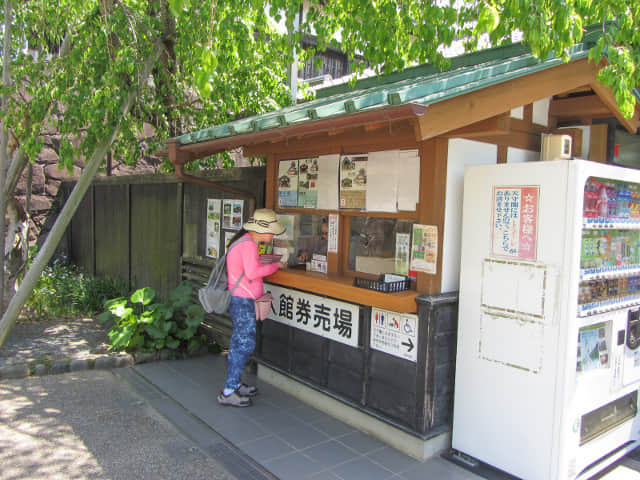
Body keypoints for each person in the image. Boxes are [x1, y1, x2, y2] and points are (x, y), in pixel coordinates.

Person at [217, 209, 286, 407]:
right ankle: (229, 390)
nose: (272, 236)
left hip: (241, 299)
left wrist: (272, 260)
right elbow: (253, 271)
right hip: (243, 300)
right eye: (271, 231)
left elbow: (249, 266)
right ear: (261, 230)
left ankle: (235, 384)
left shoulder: (245, 241)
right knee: (244, 344)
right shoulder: (247, 245)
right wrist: (275, 266)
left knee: (240, 343)